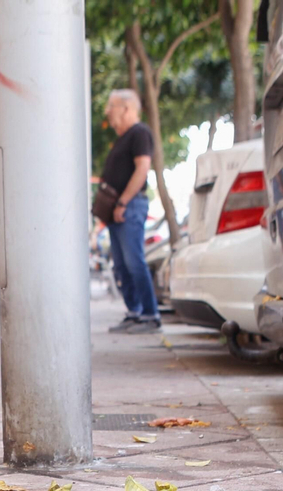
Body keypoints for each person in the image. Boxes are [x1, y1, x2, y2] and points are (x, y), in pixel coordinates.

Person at [100, 89, 161, 333]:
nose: (107, 112)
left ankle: (150, 315)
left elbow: (142, 168)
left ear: (126, 108)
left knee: (134, 261)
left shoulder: (140, 133)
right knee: (121, 265)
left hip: (130, 206)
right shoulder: (123, 138)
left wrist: (124, 201)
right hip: (118, 209)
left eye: (111, 106)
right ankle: (135, 312)